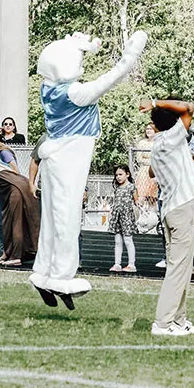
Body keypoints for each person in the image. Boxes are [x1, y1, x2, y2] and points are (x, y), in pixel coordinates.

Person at [29, 30, 148, 309]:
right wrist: (130, 54)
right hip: (69, 157)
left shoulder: (49, 87)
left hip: (55, 155)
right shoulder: (75, 93)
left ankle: (44, 270)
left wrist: (83, 46)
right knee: (67, 217)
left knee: (53, 218)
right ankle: (61, 276)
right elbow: (112, 77)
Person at [142, 96, 194, 336]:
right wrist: (156, 102)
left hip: (170, 209)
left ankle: (179, 321)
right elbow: (188, 107)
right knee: (178, 269)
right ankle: (163, 323)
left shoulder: (160, 144)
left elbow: (151, 171)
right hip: (182, 208)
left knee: (180, 267)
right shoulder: (172, 137)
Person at [107, 165, 139, 273]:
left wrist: (139, 204)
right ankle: (117, 263)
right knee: (117, 241)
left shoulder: (131, 187)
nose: (118, 177)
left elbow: (136, 200)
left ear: (127, 174)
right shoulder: (117, 187)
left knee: (128, 240)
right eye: (116, 175)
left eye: (120, 174)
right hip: (117, 216)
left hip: (127, 216)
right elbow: (115, 201)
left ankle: (131, 264)